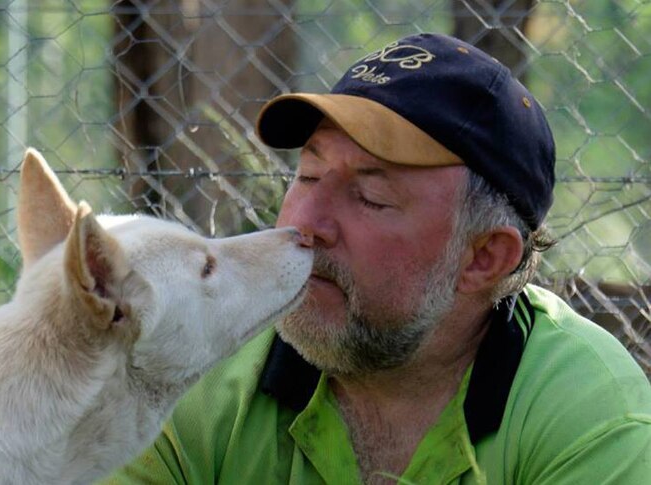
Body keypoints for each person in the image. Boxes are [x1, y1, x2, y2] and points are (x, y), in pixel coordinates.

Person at [102, 32, 651, 484]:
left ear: (484, 257)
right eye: (308, 174)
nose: (303, 224)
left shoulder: (588, 416)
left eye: (371, 197)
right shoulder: (203, 361)